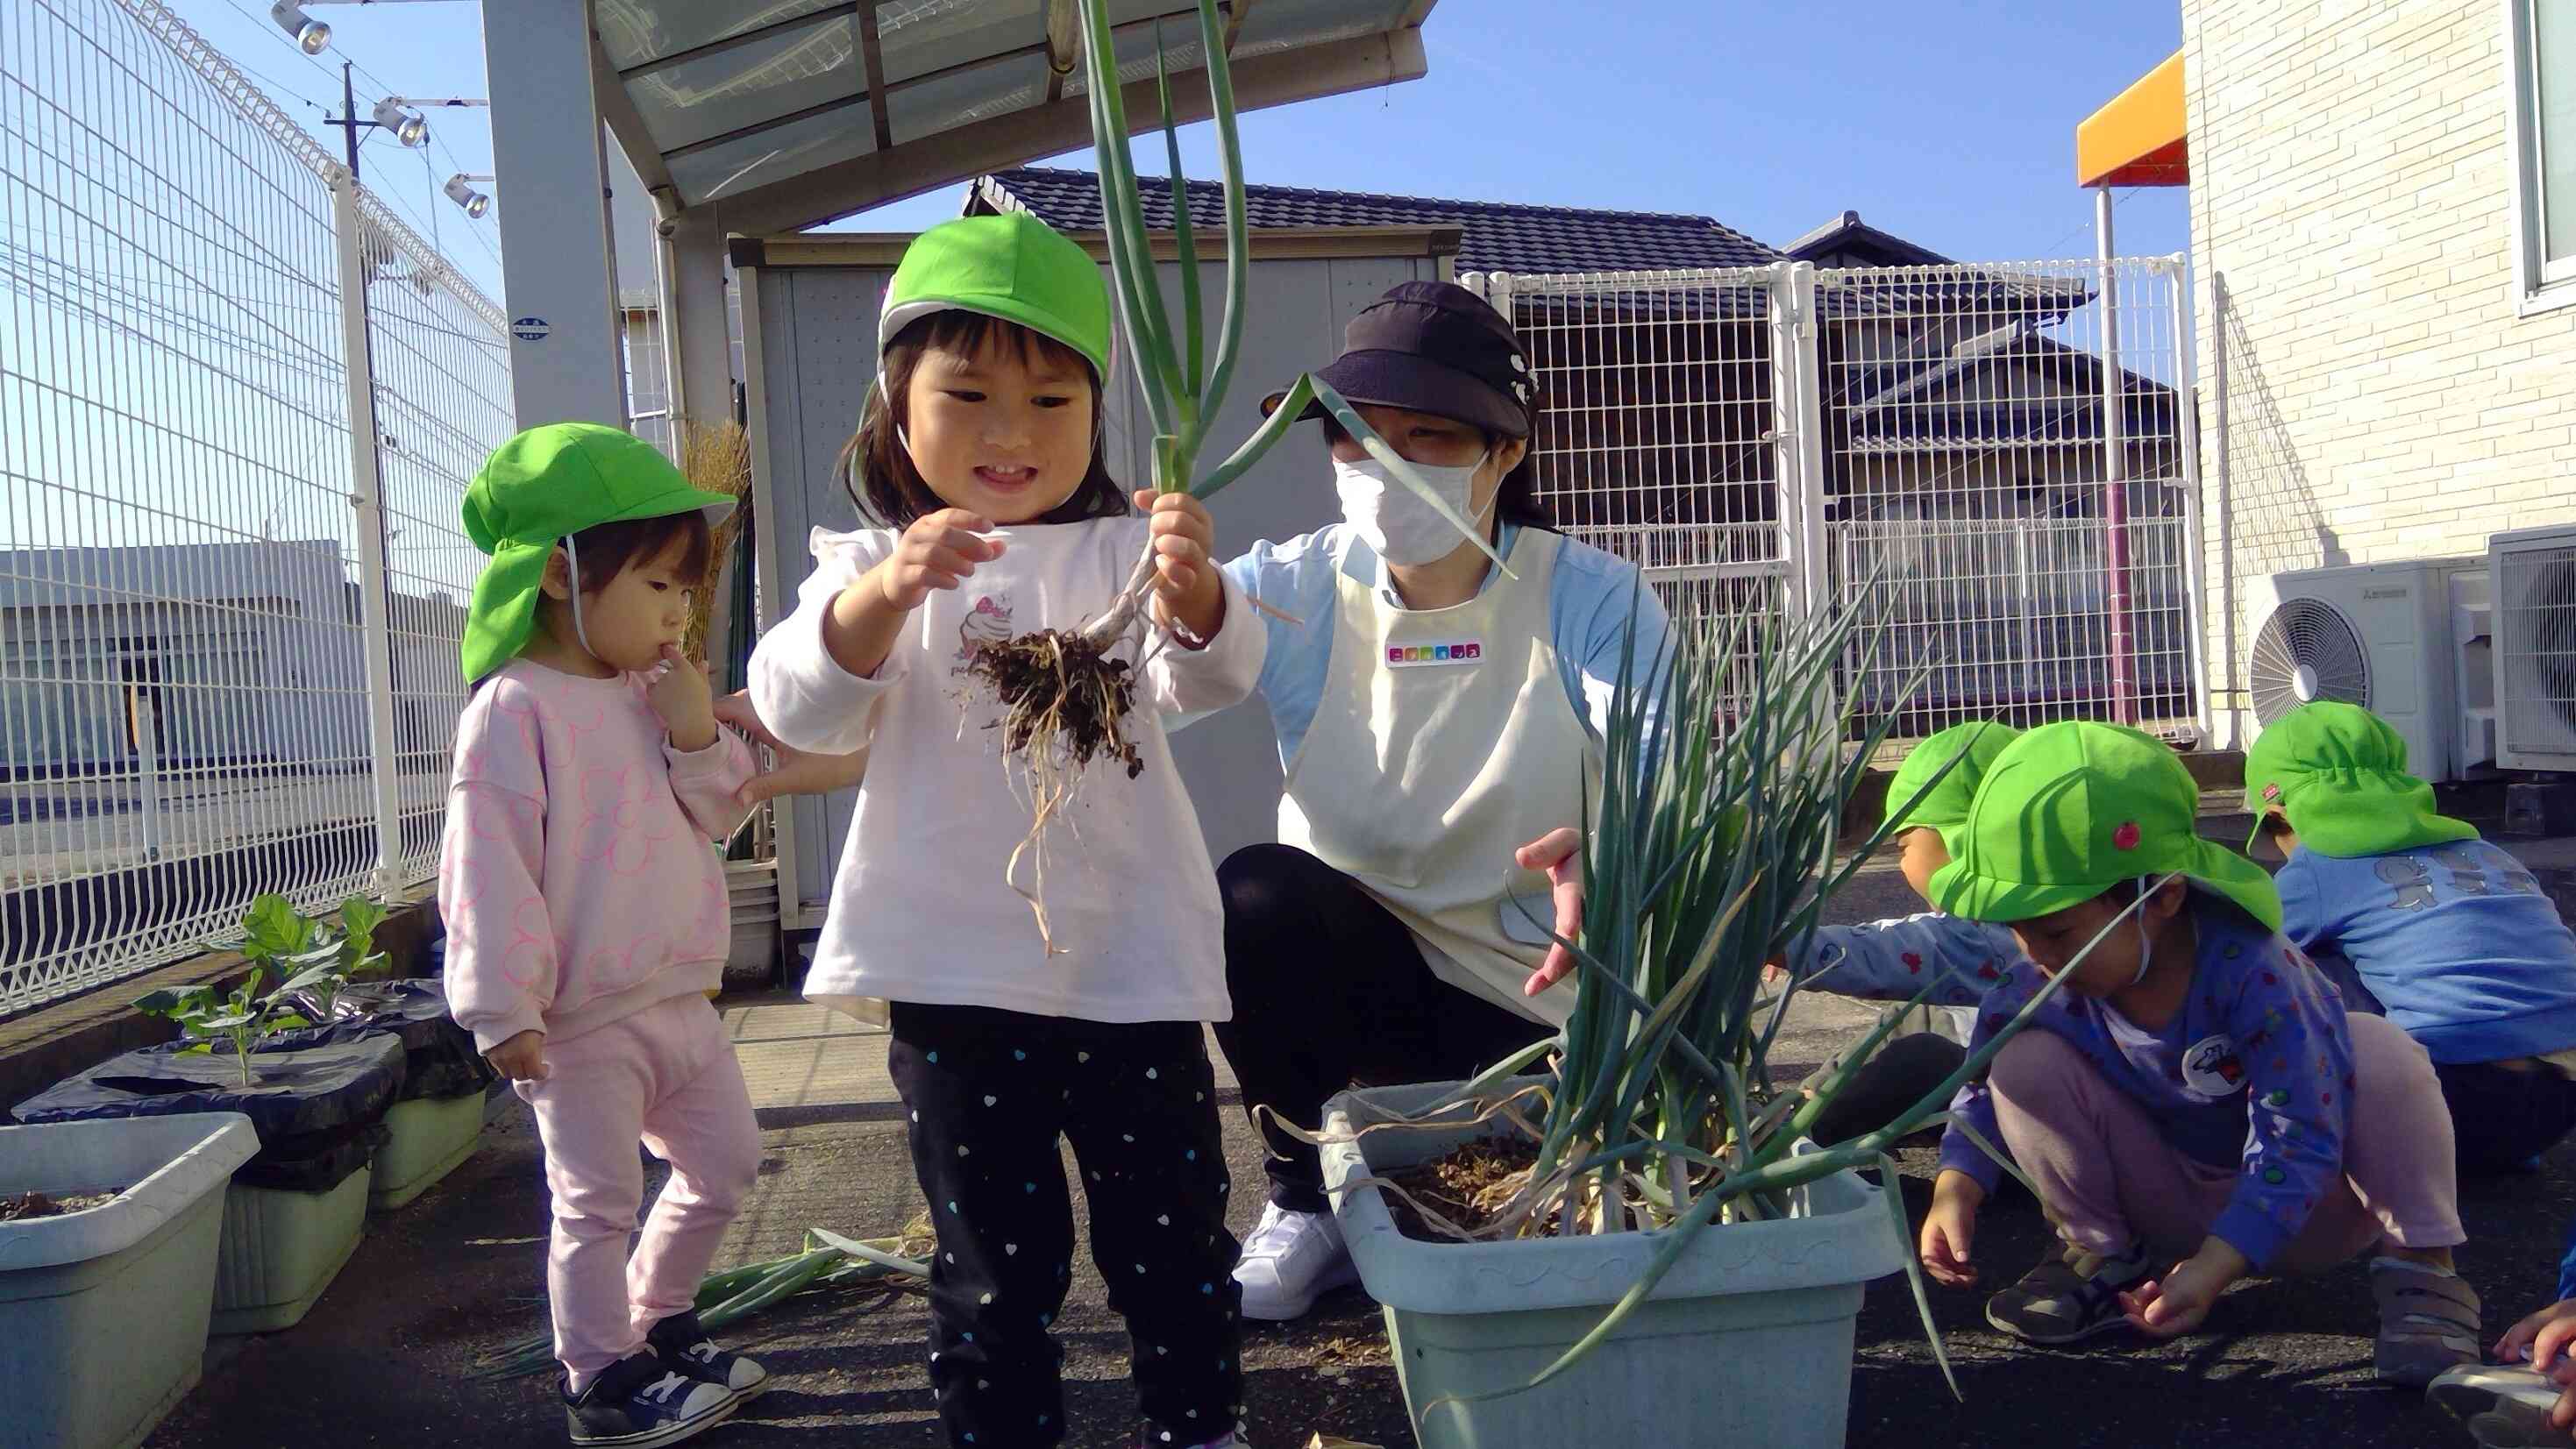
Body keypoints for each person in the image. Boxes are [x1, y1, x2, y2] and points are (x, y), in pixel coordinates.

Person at [745, 213, 1262, 1449]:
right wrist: (881, 595)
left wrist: (1198, 595)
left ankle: (1201, 1427)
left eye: (1049, 400)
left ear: (1094, 412)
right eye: (967, 394)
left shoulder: (1127, 551)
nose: (1009, 434)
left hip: (1132, 971)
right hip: (954, 984)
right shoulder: (873, 563)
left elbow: (1213, 677)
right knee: (991, 1268)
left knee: (1175, 1246)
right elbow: (796, 702)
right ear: (896, 405)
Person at [1208, 280, 1668, 1321]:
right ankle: (1307, 1198)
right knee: (1253, 897)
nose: (1386, 466)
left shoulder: (1590, 595)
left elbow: (1666, 765)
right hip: (1371, 985)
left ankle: (1577, 1142)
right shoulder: (1296, 586)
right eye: (1357, 436)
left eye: (1429, 436)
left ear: (1504, 453)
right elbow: (1154, 666)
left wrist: (1618, 845)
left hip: (1541, 998)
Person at [1916, 721, 2480, 1389]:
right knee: (2021, 1063)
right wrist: (1956, 1187)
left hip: (2306, 1201)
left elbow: (2300, 1127)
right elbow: (1981, 1085)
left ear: (2163, 894)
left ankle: (2424, 1273)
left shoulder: (2256, 970)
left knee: (2380, 1049)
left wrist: (2219, 1261)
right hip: (2165, 1206)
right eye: (2019, 931)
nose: (2037, 954)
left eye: (2059, 930)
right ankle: (2102, 1257)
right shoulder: (2039, 982)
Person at [438, 423, 767, 1447]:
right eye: (659, 584)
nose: (678, 612)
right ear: (557, 574)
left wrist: (695, 728)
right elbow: (488, 868)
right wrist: (502, 1008)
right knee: (596, 1204)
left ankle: (659, 1321)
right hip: (578, 1021)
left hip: (675, 997)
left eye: (685, 590)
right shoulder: (513, 708)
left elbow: (722, 812)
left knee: (726, 1165)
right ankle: (600, 1375)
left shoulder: (648, 695)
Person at [2245, 700, 2576, 1175]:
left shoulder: (2317, 869)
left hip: (2447, 1104)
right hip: (2559, 1096)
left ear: (2280, 816)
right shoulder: (2485, 852)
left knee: (2297, 965)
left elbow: (2242, 960)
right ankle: (2500, 1153)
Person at [1771, 719, 2024, 1147]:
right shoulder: (2028, 913)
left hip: (2024, 1111)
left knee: (1919, 1058)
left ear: (1963, 841)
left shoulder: (2016, 931)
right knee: (1912, 1018)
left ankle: (1804, 1137)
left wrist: (1789, 947)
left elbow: (1903, 949)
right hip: (2010, 1073)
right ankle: (1805, 1104)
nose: (1902, 864)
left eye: (1903, 847)